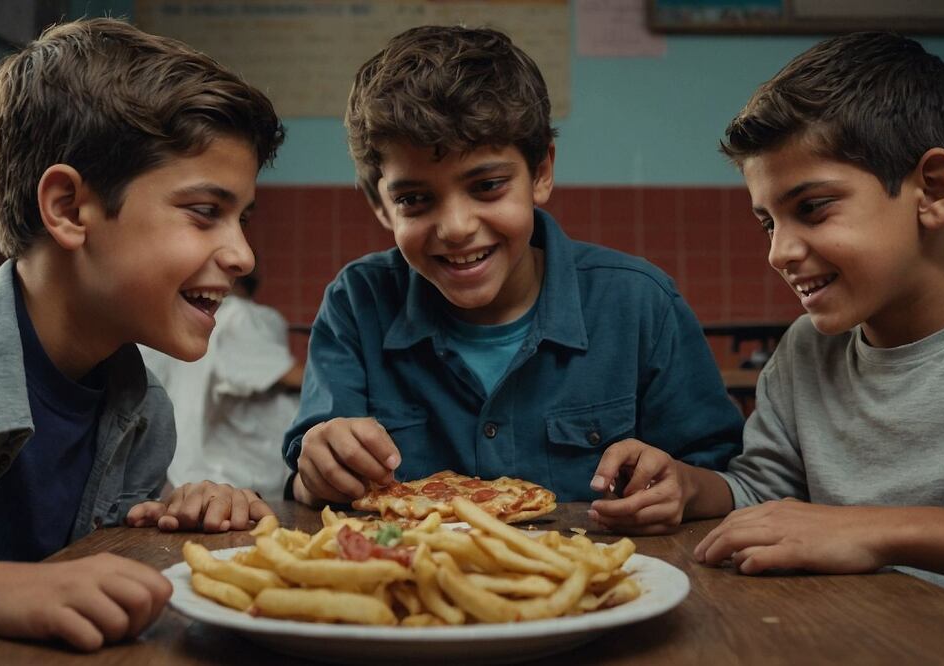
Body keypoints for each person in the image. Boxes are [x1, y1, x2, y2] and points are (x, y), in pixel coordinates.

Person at [0, 18, 286, 649]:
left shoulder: (145, 415)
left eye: (242, 219)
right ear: (69, 209)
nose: (243, 256)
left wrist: (184, 508)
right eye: (206, 212)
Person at [283, 25, 743, 508]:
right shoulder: (357, 304)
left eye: (487, 186)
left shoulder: (640, 303)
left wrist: (685, 486)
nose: (456, 228)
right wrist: (318, 470)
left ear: (541, 172)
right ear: (380, 206)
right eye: (414, 199)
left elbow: (724, 478)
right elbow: (306, 485)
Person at [591, 32, 944, 592]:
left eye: (812, 208)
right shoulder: (807, 349)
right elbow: (763, 492)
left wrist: (872, 530)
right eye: (768, 223)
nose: (778, 252)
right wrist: (687, 486)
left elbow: (835, 529)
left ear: (932, 191)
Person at [142, 273, 303, 498]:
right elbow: (290, 375)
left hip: (198, 475)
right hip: (236, 481)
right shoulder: (236, 316)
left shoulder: (186, 322)